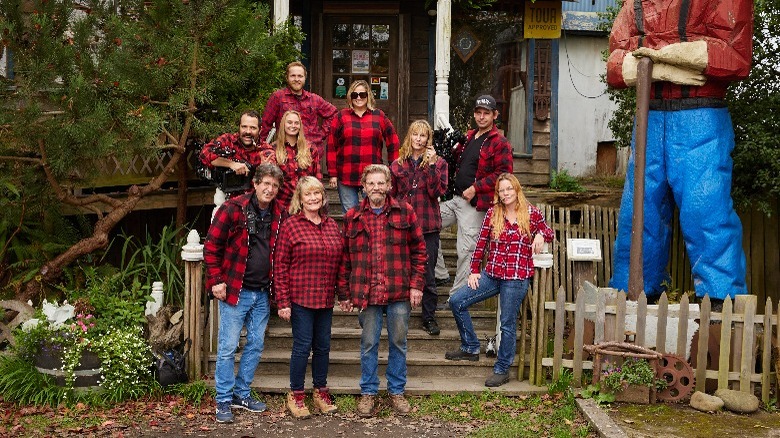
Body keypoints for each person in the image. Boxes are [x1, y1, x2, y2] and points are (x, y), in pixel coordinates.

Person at [606, 0, 752, 305]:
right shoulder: (636, 4)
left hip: (700, 117)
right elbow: (615, 65)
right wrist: (675, 64)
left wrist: (653, 61)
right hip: (650, 115)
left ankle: (720, 298)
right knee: (639, 211)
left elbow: (736, 56)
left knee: (706, 208)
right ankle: (633, 292)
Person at [444, 173, 554, 387]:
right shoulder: (493, 213)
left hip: (517, 277)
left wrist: (540, 234)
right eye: (502, 190)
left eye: (509, 189)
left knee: (507, 324)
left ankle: (502, 369)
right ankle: (470, 347)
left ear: (517, 189)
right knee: (457, 301)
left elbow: (548, 230)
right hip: (492, 274)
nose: (505, 193)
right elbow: (481, 243)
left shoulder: (530, 213)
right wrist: (474, 271)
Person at [337, 164, 426, 417]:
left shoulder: (405, 212)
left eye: (380, 183)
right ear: (363, 187)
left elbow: (420, 251)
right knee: (368, 344)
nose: (376, 188)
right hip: (367, 293)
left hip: (398, 291)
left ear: (389, 185)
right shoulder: (352, 216)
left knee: (398, 342)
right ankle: (368, 393)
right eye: (371, 183)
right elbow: (344, 258)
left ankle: (397, 391)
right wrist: (343, 293)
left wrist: (416, 285)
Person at [203, 163, 285, 423]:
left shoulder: (280, 214)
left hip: (262, 293)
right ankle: (223, 400)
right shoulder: (233, 208)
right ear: (256, 183)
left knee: (256, 344)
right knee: (227, 347)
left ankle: (241, 393)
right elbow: (211, 245)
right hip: (235, 291)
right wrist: (216, 280)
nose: (269, 189)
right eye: (265, 184)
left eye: (274, 186)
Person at [274, 176, 343, 418]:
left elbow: (341, 263)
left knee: (323, 347)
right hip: (301, 298)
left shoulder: (332, 226)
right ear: (300, 199)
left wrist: (342, 294)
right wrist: (282, 301)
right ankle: (296, 395)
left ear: (323, 197)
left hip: (325, 298)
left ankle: (320, 392)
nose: (313, 198)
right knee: (303, 347)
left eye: (317, 194)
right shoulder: (291, 225)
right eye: (308, 194)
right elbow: (280, 265)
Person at [434, 95, 514, 301]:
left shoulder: (500, 143)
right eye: (478, 112)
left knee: (466, 251)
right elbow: (453, 161)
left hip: (475, 204)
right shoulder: (470, 137)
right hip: (455, 198)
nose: (481, 116)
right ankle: (440, 273)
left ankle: (457, 298)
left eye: (486, 113)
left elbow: (504, 174)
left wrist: (476, 188)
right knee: (425, 222)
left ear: (494, 115)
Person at [390, 120, 448, 336]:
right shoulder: (397, 164)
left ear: (428, 140)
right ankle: (398, 313)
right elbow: (391, 196)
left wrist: (431, 165)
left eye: (423, 136)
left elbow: (437, 192)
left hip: (428, 226)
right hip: (402, 226)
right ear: (409, 137)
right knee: (400, 270)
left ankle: (428, 317)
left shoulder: (440, 163)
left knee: (428, 275)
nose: (418, 139)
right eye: (415, 134)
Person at [327, 80, 400, 213]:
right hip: (347, 174)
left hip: (374, 176)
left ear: (368, 96)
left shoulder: (379, 116)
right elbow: (332, 145)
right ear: (350, 96)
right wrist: (333, 174)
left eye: (362, 94)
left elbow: (393, 141)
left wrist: (393, 168)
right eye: (355, 95)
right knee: (351, 215)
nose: (359, 98)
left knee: (376, 212)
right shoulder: (341, 117)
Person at [259, 61, 338, 157]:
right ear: (287, 78)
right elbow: (265, 125)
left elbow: (333, 114)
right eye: (293, 76)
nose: (296, 79)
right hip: (285, 153)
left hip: (310, 152)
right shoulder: (278, 97)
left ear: (305, 78)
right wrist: (261, 147)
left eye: (300, 76)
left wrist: (321, 134)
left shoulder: (314, 99)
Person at [199, 110, 272, 196]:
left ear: (260, 130)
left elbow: (272, 165)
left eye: (253, 128)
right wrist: (231, 164)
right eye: (244, 127)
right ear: (239, 127)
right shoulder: (228, 140)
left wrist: (264, 169)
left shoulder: (264, 149)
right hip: (227, 198)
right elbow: (205, 154)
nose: (248, 131)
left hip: (254, 200)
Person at [262, 110, 322, 212]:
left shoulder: (311, 149)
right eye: (289, 122)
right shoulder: (273, 149)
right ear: (283, 125)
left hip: (306, 205)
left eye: (296, 123)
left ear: (300, 126)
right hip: (281, 205)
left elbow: (317, 178)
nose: (293, 126)